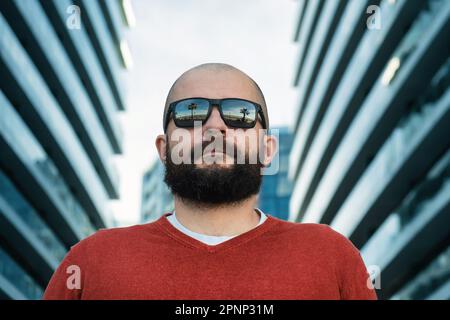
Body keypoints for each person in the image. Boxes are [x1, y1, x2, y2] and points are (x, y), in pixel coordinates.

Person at [43, 63, 377, 300]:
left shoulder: (331, 257)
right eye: (190, 113)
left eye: (241, 115)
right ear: (164, 149)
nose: (215, 128)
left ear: (267, 149)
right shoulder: (90, 261)